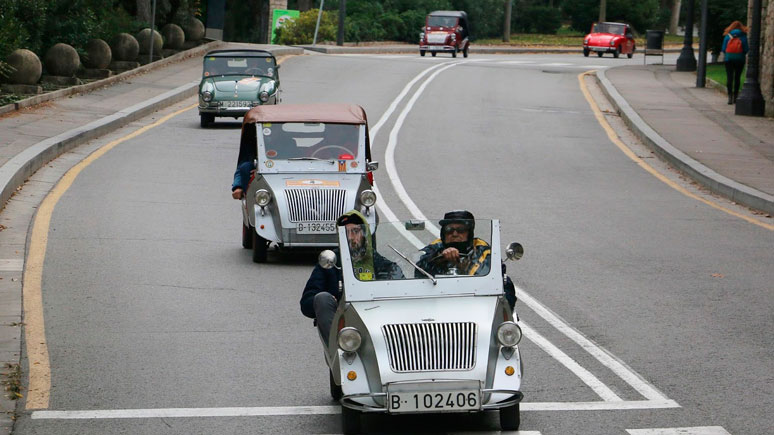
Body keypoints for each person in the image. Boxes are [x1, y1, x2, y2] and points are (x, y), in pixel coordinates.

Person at [300, 210, 403, 345]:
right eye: (345, 233)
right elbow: (306, 304)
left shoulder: (382, 264)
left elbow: (400, 294)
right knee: (322, 298)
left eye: (355, 231)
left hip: (375, 321)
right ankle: (340, 350)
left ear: (364, 234)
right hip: (343, 325)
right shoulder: (330, 263)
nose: (350, 237)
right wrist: (329, 300)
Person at [415, 210, 516, 310]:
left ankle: (502, 320)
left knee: (506, 282)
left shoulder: (483, 249)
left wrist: (464, 268)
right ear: (443, 232)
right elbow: (417, 270)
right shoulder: (435, 247)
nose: (454, 234)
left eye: (461, 230)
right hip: (436, 298)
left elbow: (494, 275)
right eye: (449, 229)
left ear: (469, 232)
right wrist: (439, 257)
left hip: (474, 300)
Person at [721, 20, 749, 105]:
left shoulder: (727, 36)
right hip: (740, 59)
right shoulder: (743, 36)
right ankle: (735, 97)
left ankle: (729, 97)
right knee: (737, 77)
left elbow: (723, 49)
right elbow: (746, 49)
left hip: (729, 59)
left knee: (730, 77)